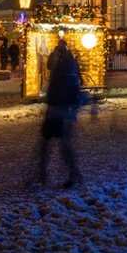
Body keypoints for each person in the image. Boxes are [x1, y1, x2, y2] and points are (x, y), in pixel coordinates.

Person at [39, 39, 83, 188]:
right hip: (58, 108)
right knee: (51, 144)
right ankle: (43, 175)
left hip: (61, 109)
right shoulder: (64, 64)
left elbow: (67, 87)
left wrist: (59, 103)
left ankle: (72, 175)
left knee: (60, 145)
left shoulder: (66, 65)